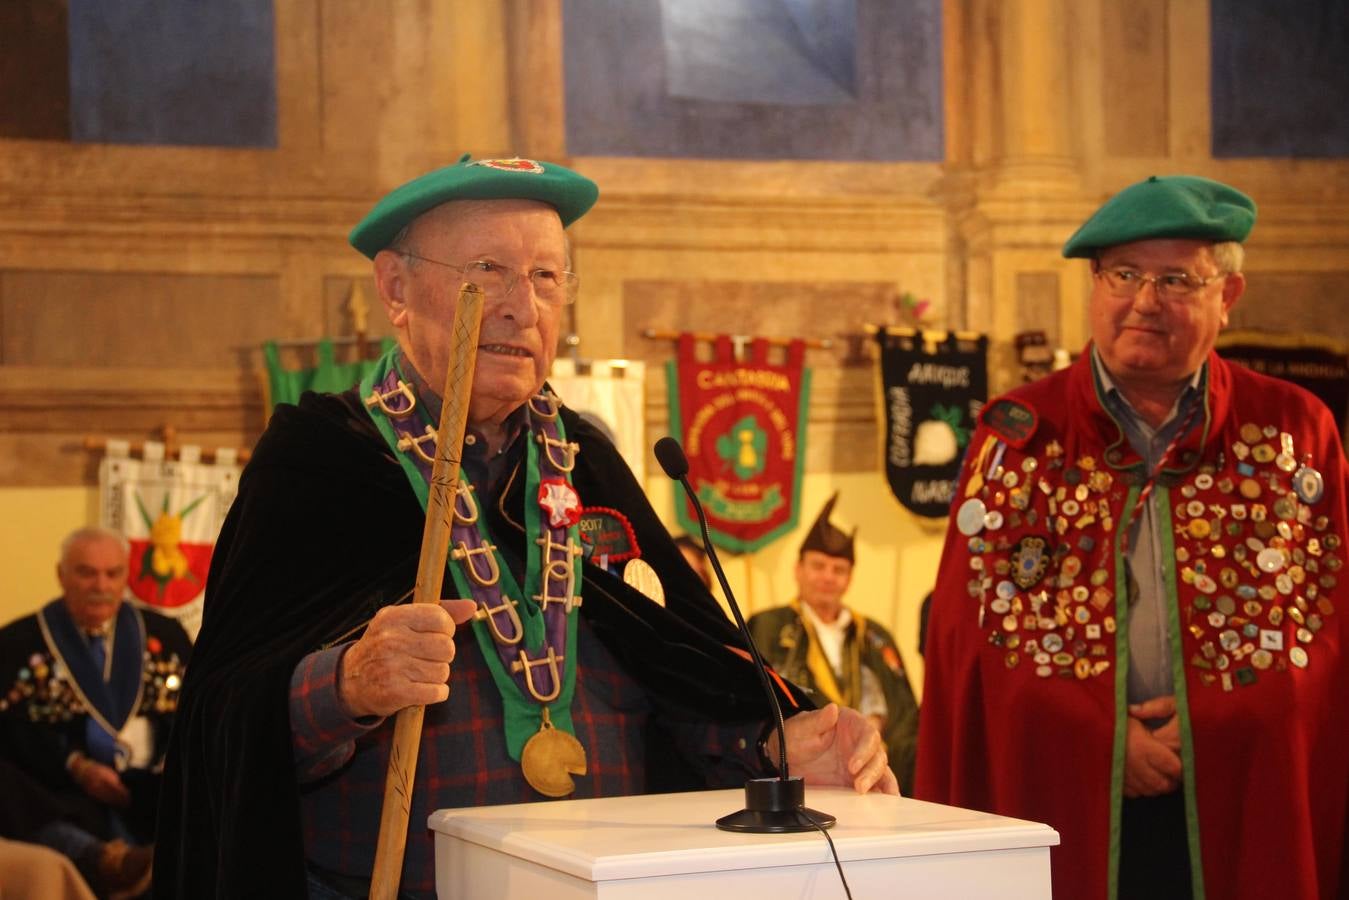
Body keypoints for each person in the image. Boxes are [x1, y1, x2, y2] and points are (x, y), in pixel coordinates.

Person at [154, 155, 896, 899]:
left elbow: (682, 671)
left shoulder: (587, 462)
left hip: (608, 884)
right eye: (487, 269)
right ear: (395, 288)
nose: (522, 306)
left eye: (546, 277)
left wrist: (772, 740)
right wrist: (347, 684)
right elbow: (228, 719)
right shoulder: (322, 462)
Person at [916, 175, 1349, 900]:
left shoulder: (1295, 430)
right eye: (1123, 274)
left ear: (1227, 297)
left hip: (1248, 791)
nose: (1144, 301)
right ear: (1093, 284)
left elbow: (1330, 624)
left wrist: (1216, 715)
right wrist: (1102, 738)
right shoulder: (1018, 435)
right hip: (1057, 797)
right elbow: (972, 644)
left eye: (1176, 279)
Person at [0, 527, 189, 896]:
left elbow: (199, 716)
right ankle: (97, 857)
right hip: (64, 796)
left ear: (126, 576)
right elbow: (11, 735)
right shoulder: (16, 643)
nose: (99, 585)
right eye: (86, 572)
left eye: (112, 573)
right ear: (61, 575)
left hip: (152, 793)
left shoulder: (165, 635)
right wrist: (77, 767)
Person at [748, 494, 919, 794]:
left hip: (872, 774)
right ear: (798, 570)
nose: (828, 577)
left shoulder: (876, 637)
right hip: (807, 776)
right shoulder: (768, 627)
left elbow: (907, 717)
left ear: (849, 579)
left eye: (838, 570)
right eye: (818, 566)